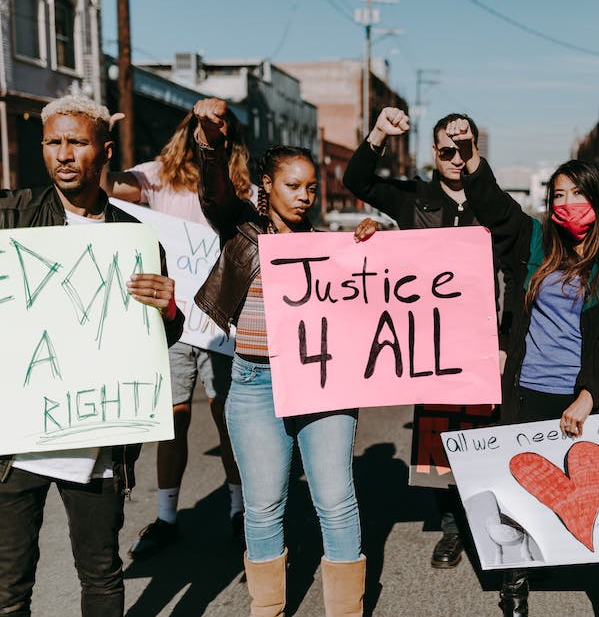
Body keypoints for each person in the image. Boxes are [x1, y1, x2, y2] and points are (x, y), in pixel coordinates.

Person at [451, 117, 599, 617]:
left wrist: (588, 395)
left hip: (586, 398)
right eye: (558, 195)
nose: (566, 205)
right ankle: (515, 592)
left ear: (597, 202)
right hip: (528, 392)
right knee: (517, 495)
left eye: (576, 195)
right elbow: (496, 207)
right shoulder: (538, 244)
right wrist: (471, 159)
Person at [0, 95, 183, 616]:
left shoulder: (136, 238)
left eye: (77, 142)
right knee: (8, 585)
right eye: (53, 142)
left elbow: (162, 338)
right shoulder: (8, 216)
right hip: (16, 439)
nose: (63, 153)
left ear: (104, 151)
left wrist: (167, 310)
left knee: (101, 574)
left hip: (96, 436)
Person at [192, 97, 374, 617]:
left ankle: (346, 610)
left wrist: (368, 246)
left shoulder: (330, 247)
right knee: (264, 506)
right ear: (266, 186)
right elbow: (214, 190)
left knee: (336, 502)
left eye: (311, 186)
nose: (305, 195)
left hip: (324, 384)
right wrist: (210, 141)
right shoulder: (241, 228)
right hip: (254, 383)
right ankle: (266, 609)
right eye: (292, 185)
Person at [343, 107, 506, 570]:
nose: (457, 157)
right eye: (448, 150)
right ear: (435, 152)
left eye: (465, 147)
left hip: (481, 338)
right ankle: (453, 529)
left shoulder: (490, 200)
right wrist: (376, 133)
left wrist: (506, 340)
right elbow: (357, 181)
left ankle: (487, 526)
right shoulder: (413, 196)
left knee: (485, 435)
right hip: (427, 342)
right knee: (439, 438)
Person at [103, 108, 253, 559]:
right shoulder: (156, 176)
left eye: (220, 119)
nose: (211, 124)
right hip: (171, 317)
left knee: (231, 418)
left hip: (224, 321)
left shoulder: (244, 185)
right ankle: (167, 517)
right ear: (188, 127)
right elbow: (109, 187)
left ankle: (239, 511)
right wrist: (101, 141)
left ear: (230, 131)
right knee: (173, 418)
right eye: (202, 117)